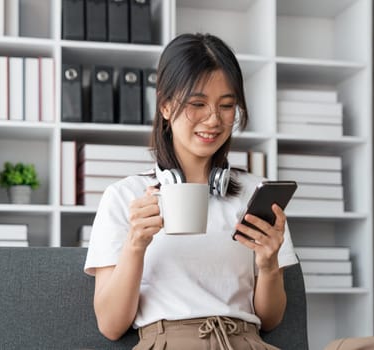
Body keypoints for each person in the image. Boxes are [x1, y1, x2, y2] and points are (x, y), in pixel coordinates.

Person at [83, 33, 298, 350]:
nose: (214, 119)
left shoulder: (255, 193)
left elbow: (270, 320)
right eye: (198, 103)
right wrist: (135, 244)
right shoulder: (125, 197)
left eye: (226, 106)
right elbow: (111, 326)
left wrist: (267, 266)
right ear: (166, 105)